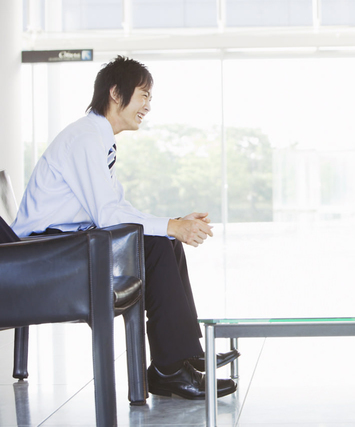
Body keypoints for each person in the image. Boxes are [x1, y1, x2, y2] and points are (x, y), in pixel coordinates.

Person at [11, 56, 240, 400]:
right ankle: (171, 366)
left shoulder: (97, 138)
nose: (148, 105)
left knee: (165, 242)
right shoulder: (85, 139)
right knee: (159, 243)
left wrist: (172, 225)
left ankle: (178, 358)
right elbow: (108, 216)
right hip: (41, 256)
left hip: (62, 246)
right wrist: (171, 226)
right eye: (144, 95)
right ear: (116, 93)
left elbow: (117, 208)